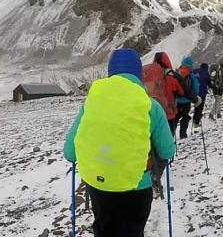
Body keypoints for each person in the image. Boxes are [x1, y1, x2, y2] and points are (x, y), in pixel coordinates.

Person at [63, 49, 175, 237]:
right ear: (138, 74)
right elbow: (167, 151)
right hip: (136, 186)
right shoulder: (151, 106)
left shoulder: (92, 102)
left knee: (104, 231)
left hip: (99, 185)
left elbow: (69, 152)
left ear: (110, 73)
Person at [147, 52, 201, 197]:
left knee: (148, 146)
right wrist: (196, 100)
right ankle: (155, 177)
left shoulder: (147, 75)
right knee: (164, 147)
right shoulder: (172, 76)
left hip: (148, 116)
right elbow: (186, 91)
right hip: (167, 116)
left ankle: (145, 173)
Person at [174, 57, 200, 139]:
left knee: (176, 116)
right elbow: (195, 86)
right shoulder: (191, 75)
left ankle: (171, 134)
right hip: (186, 100)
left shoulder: (177, 73)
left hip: (177, 99)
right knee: (185, 116)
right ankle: (182, 134)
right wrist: (195, 96)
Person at [193, 62, 215, 128]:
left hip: (193, 92)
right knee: (200, 107)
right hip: (202, 93)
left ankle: (194, 119)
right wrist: (215, 87)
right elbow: (209, 84)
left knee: (196, 106)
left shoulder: (194, 71)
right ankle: (196, 122)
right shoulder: (206, 73)